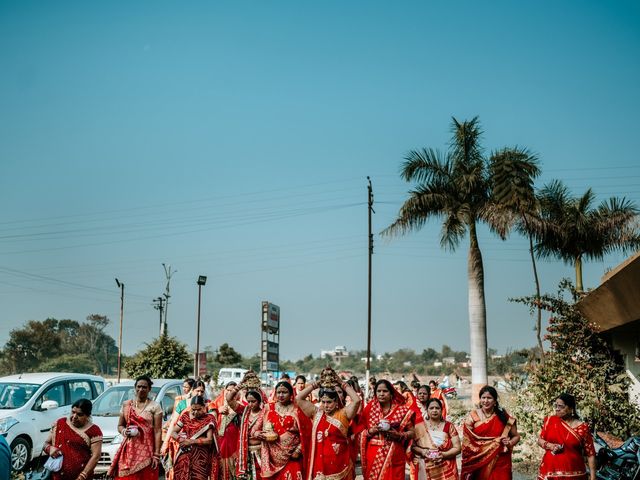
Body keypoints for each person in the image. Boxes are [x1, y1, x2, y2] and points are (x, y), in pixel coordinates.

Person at [358, 379, 423, 480]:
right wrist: (371, 431)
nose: (381, 394)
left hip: (394, 454)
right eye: (378, 391)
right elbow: (360, 432)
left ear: (391, 393)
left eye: (385, 391)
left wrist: (399, 435)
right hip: (373, 455)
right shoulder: (369, 409)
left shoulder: (402, 411)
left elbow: (412, 432)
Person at [296, 379, 361, 480]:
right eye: (323, 402)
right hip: (319, 466)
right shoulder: (316, 414)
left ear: (336, 402)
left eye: (329, 402)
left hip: (340, 463)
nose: (326, 405)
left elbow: (357, 400)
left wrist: (341, 382)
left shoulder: (343, 414)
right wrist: (316, 383)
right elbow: (298, 398)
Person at [108, 375, 163, 480]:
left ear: (149, 389)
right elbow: (120, 426)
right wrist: (124, 431)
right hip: (128, 450)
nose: (141, 389)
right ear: (135, 387)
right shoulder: (126, 405)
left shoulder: (155, 406)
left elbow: (157, 431)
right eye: (138, 386)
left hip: (147, 450)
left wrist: (156, 454)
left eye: (144, 387)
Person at [461, 385, 520, 480]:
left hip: (500, 460)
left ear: (495, 401)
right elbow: (467, 440)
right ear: (480, 399)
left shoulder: (503, 417)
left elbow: (516, 436)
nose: (486, 401)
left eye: (489, 398)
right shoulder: (473, 416)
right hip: (478, 460)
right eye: (483, 398)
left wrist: (510, 443)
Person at [537, 393, 596, 480]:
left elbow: (590, 453)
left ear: (571, 408)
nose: (557, 409)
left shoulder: (582, 427)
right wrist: (550, 445)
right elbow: (540, 440)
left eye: (561, 406)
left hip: (575, 474)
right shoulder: (550, 421)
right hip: (550, 472)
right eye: (556, 405)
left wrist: (593, 477)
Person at [42, 398, 103, 480]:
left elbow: (96, 456)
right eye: (73, 412)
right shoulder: (60, 423)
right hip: (57, 476)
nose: (74, 417)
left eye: (79, 414)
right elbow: (46, 443)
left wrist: (82, 476)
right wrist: (49, 449)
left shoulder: (93, 430)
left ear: (87, 416)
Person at [261, 381, 307, 480]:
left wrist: (298, 451)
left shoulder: (297, 410)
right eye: (278, 392)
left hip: (292, 455)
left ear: (291, 394)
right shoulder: (268, 408)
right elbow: (260, 428)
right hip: (272, 457)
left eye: (284, 392)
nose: (281, 395)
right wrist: (259, 434)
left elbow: (305, 433)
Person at [163, 381, 208, 479]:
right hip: (182, 444)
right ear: (192, 390)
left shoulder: (208, 405)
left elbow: (211, 430)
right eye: (197, 391)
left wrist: (192, 441)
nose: (199, 393)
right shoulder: (183, 404)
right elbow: (173, 424)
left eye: (202, 391)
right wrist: (166, 442)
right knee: (181, 471)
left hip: (201, 447)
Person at [170, 395, 217, 480]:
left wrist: (191, 441)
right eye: (193, 409)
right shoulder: (185, 416)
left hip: (200, 458)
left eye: (198, 409)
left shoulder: (209, 419)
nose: (195, 412)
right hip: (184, 454)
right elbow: (173, 432)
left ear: (204, 407)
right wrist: (181, 440)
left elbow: (209, 440)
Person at [412, 398, 460, 480]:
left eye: (437, 408)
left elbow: (457, 448)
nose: (434, 410)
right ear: (427, 410)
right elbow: (412, 446)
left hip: (446, 467)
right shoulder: (419, 427)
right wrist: (423, 452)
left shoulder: (448, 426)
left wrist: (443, 455)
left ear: (441, 410)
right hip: (425, 467)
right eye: (431, 408)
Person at [226, 386, 266, 480]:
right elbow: (229, 399)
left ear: (259, 401)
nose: (250, 404)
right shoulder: (244, 411)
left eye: (253, 401)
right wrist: (238, 387)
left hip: (260, 451)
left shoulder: (265, 413)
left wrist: (258, 433)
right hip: (245, 452)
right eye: (249, 401)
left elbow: (269, 430)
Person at [211, 381, 243, 480]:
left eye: (232, 391)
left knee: (233, 464)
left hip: (234, 439)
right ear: (224, 390)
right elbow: (210, 418)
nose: (230, 393)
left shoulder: (240, 404)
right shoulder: (216, 403)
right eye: (228, 390)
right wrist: (218, 411)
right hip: (219, 439)